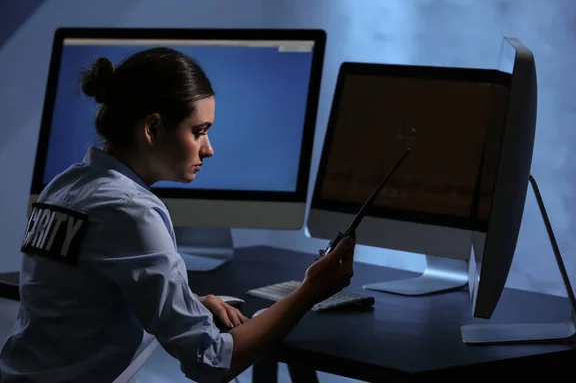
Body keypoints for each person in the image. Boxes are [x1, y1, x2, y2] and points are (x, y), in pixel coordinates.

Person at [0, 47, 356, 383]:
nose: (209, 149)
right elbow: (212, 361)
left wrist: (189, 303)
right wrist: (310, 290)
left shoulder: (63, 187)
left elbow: (82, 301)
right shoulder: (130, 209)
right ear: (153, 129)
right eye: (198, 131)